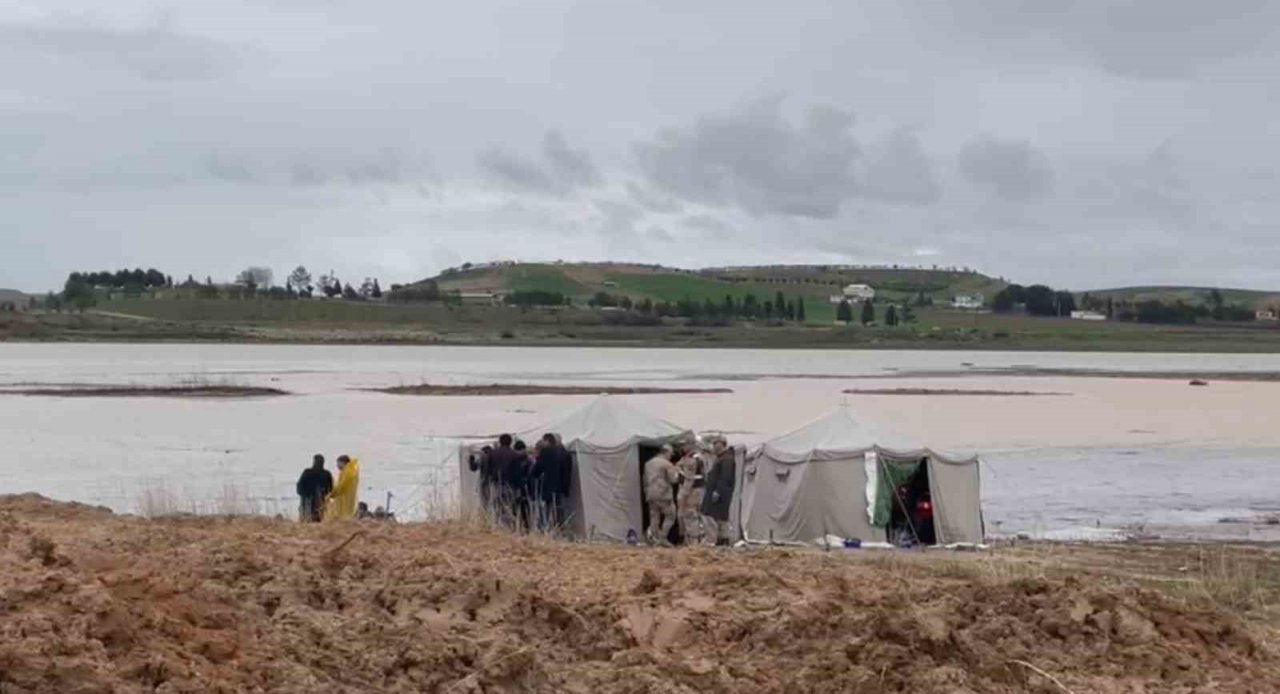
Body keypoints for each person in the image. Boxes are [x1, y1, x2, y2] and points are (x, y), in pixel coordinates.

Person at [531, 432, 572, 531]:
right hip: (561, 486)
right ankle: (560, 528)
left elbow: (538, 468)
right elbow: (568, 472)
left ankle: (550, 529)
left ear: (547, 441)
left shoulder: (546, 451)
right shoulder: (565, 453)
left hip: (548, 485)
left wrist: (534, 473)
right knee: (559, 508)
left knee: (548, 510)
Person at [700, 436, 736, 546]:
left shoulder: (727, 459)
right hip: (715, 491)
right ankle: (722, 540)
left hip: (719, 493)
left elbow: (725, 477)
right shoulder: (720, 458)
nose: (714, 445)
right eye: (714, 443)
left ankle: (712, 540)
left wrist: (718, 491)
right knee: (720, 517)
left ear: (723, 444)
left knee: (709, 515)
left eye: (717, 443)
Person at [643, 445, 681, 546]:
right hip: (664, 494)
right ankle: (662, 538)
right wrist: (677, 472)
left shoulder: (648, 463)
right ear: (666, 452)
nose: (671, 456)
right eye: (671, 454)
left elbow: (645, 480)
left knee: (654, 516)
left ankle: (654, 539)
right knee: (671, 515)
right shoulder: (667, 464)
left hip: (650, 493)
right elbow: (673, 480)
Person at [674, 446, 709, 544]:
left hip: (692, 491)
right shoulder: (701, 458)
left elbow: (689, 479)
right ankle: (702, 539)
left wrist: (683, 495)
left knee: (690, 515)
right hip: (700, 490)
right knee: (699, 515)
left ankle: (693, 541)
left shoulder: (692, 460)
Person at [485, 434, 522, 523]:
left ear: (500, 442)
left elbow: (487, 469)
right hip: (510, 484)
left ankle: (497, 524)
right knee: (508, 506)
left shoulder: (492, 453)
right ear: (510, 442)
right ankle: (507, 527)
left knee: (496, 506)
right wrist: (518, 487)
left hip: (495, 484)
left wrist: (488, 481)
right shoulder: (515, 455)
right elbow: (517, 472)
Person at [295, 454, 333, 522]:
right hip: (321, 499)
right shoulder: (326, 474)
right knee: (319, 517)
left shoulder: (307, 472)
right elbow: (330, 489)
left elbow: (299, 486)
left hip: (307, 498)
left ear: (313, 462)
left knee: (305, 518)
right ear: (323, 462)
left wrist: (302, 493)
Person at [325, 454, 361, 521]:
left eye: (338, 463)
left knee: (344, 515)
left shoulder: (348, 472)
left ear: (343, 462)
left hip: (345, 498)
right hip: (348, 497)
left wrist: (332, 494)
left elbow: (342, 486)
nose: (337, 465)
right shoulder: (351, 470)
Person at [468, 444, 496, 509]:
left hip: (484, 482)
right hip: (493, 482)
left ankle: (485, 514)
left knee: (484, 501)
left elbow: (473, 468)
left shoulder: (482, 458)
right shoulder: (495, 458)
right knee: (492, 500)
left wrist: (471, 459)